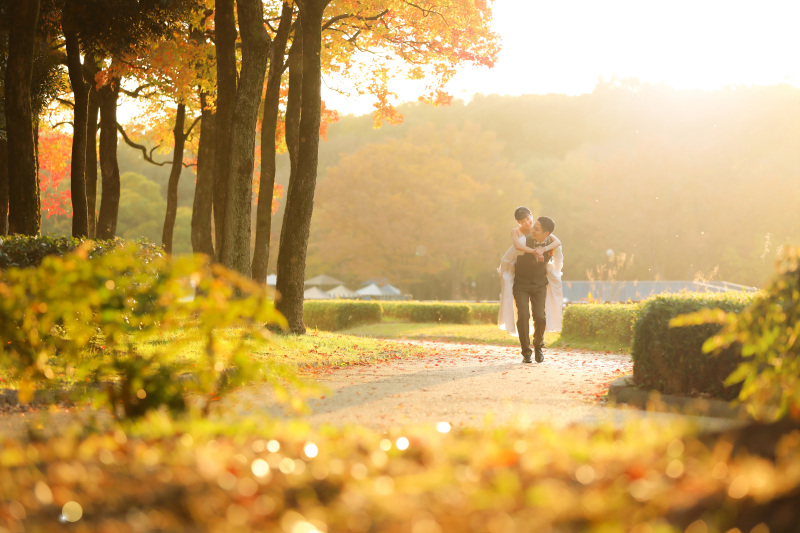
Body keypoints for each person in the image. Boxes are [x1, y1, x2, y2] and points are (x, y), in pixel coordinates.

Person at [497, 210, 562, 363]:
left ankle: (538, 345)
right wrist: (506, 276)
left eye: (536, 229)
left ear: (546, 233)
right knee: (523, 315)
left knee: (540, 316)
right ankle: (526, 352)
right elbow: (506, 259)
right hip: (521, 284)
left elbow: (558, 261)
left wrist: (554, 273)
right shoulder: (523, 241)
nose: (532, 229)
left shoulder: (552, 245)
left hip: (539, 284)